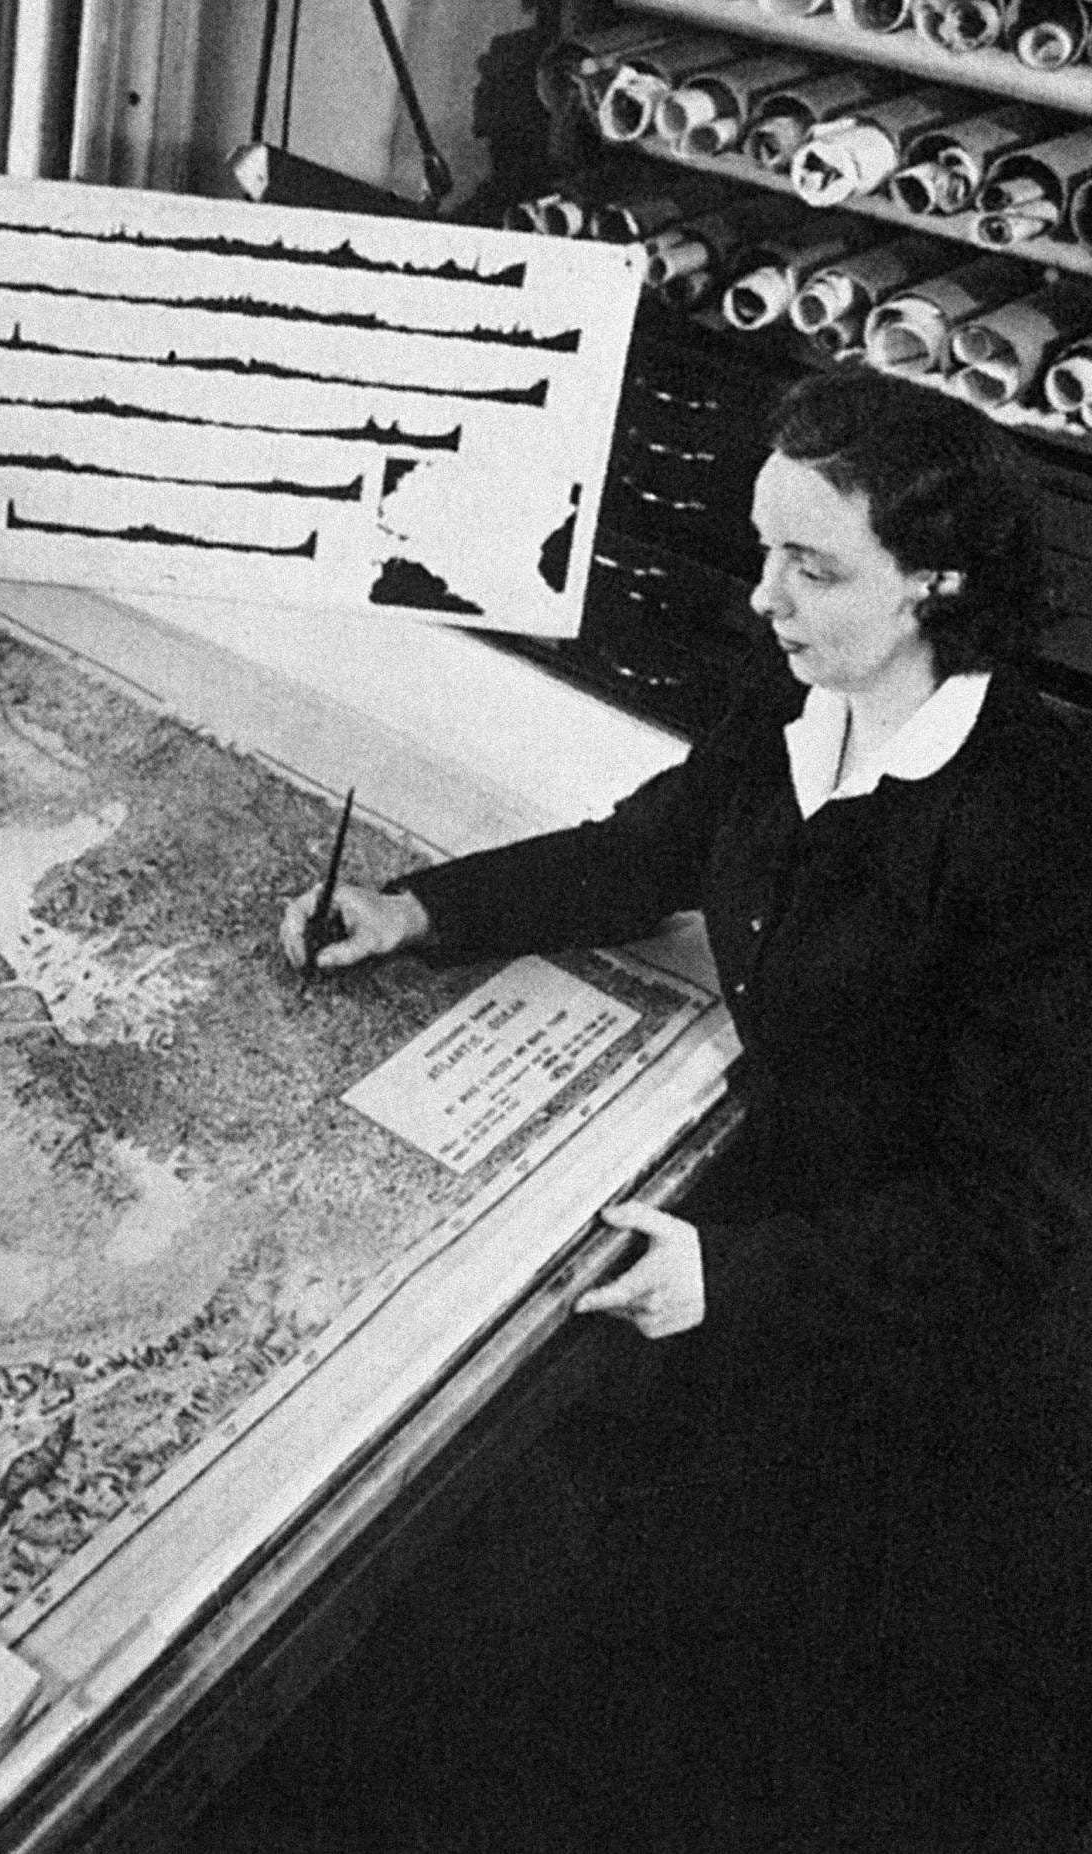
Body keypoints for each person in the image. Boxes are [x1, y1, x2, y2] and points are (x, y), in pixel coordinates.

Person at [279, 367, 1092, 1845]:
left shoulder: (1036, 825)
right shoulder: (805, 693)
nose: (761, 595)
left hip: (921, 1343)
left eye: (811, 565)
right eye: (761, 545)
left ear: (938, 579)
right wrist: (417, 912)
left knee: (749, 1717)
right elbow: (651, 844)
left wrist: (733, 1274)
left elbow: (1014, 1208)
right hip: (799, 1209)